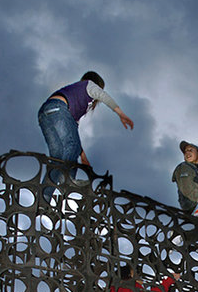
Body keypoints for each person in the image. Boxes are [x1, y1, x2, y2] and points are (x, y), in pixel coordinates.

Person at [38, 71, 133, 199]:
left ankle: (44, 197)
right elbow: (104, 96)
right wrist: (120, 113)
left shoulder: (76, 101)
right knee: (70, 147)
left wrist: (83, 157)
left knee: (58, 158)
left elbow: (73, 133)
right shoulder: (89, 84)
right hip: (59, 108)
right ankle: (68, 180)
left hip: (45, 112)